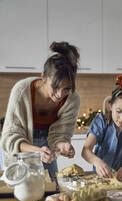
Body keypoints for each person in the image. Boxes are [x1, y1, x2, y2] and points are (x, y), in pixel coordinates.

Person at [0, 41, 80, 179]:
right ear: (43, 77)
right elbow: (10, 138)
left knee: (52, 185)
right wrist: (37, 151)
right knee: (20, 189)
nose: (60, 95)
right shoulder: (21, 91)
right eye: (55, 87)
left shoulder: (72, 99)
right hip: (20, 147)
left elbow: (60, 134)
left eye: (66, 88)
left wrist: (62, 145)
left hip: (47, 149)